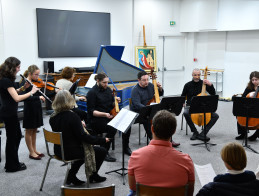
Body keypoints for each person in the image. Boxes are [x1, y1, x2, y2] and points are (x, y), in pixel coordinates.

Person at [127, 110, 194, 196]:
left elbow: (133, 188)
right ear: (173, 131)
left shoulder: (136, 156)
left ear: (152, 129)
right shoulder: (186, 160)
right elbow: (189, 193)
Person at [49, 90, 108, 185]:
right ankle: (93, 175)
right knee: (101, 151)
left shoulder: (53, 116)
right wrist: (102, 140)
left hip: (59, 150)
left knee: (83, 152)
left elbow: (67, 131)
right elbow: (84, 137)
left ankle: (71, 176)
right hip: (70, 152)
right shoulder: (72, 116)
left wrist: (78, 125)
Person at [0, 57, 38, 172]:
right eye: (18, 67)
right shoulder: (5, 80)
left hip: (10, 112)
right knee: (12, 138)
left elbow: (13, 93)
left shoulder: (6, 79)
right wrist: (31, 92)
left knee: (16, 137)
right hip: (8, 112)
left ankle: (12, 162)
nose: (19, 69)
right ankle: (11, 165)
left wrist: (23, 88)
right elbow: (16, 98)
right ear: (11, 67)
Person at [130, 71, 180, 147]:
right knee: (149, 121)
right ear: (139, 80)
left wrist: (159, 88)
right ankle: (154, 140)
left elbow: (159, 95)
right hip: (141, 111)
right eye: (144, 80)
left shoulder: (150, 85)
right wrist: (148, 109)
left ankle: (168, 140)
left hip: (151, 108)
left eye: (147, 79)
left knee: (164, 119)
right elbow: (137, 104)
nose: (146, 82)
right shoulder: (135, 90)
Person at [87, 72, 125, 161]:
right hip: (96, 119)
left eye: (107, 82)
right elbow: (91, 112)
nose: (106, 84)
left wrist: (116, 101)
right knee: (112, 128)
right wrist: (104, 114)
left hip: (107, 116)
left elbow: (110, 104)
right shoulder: (92, 93)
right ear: (98, 81)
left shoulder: (108, 90)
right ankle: (103, 151)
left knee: (122, 123)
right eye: (104, 82)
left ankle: (125, 147)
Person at [181, 68, 219, 141]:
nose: (197, 77)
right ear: (192, 75)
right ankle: (195, 132)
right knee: (186, 113)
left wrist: (210, 85)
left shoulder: (204, 83)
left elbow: (213, 93)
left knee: (215, 116)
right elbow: (182, 96)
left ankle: (203, 133)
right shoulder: (187, 85)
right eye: (195, 75)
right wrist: (182, 102)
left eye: (198, 75)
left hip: (203, 106)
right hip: (191, 106)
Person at [22, 65, 45, 160]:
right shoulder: (25, 83)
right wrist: (38, 97)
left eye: (38, 74)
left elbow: (39, 94)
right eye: (36, 74)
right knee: (29, 130)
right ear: (30, 74)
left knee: (35, 129)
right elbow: (25, 98)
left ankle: (34, 149)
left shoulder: (35, 83)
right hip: (29, 109)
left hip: (36, 108)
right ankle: (31, 152)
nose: (38, 76)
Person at [235, 71, 259, 141]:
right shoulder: (249, 87)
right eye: (252, 80)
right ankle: (243, 133)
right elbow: (243, 98)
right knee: (239, 113)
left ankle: (256, 135)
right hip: (249, 107)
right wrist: (248, 96)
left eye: (256, 79)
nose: (254, 81)